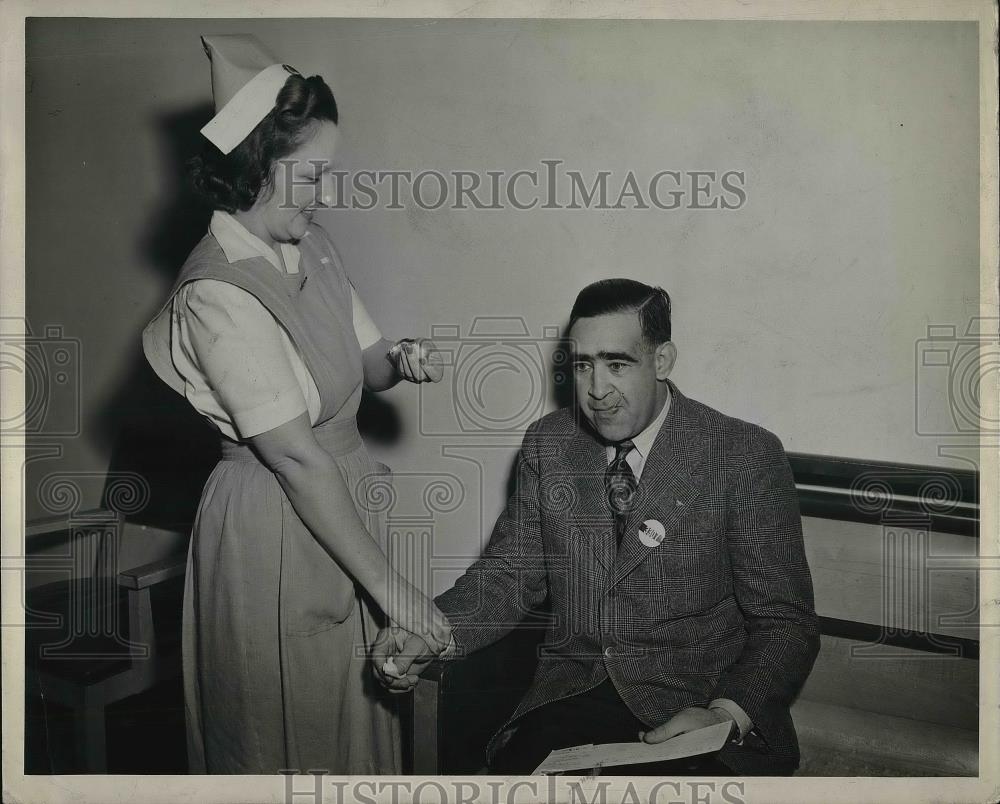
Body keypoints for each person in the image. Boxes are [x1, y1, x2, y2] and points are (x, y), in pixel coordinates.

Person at [142, 34, 451, 775]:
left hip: (336, 507)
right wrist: (400, 594)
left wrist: (404, 361)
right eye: (310, 175)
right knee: (283, 735)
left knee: (353, 728)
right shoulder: (218, 291)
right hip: (273, 523)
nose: (324, 193)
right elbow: (294, 455)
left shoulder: (310, 245)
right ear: (254, 166)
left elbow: (367, 364)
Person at [373, 279, 820, 775]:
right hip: (573, 698)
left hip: (696, 716)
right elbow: (507, 577)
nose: (597, 390)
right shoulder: (550, 444)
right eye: (583, 364)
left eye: (617, 364)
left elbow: (787, 627)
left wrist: (723, 714)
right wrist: (432, 630)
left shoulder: (742, 455)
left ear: (663, 360)